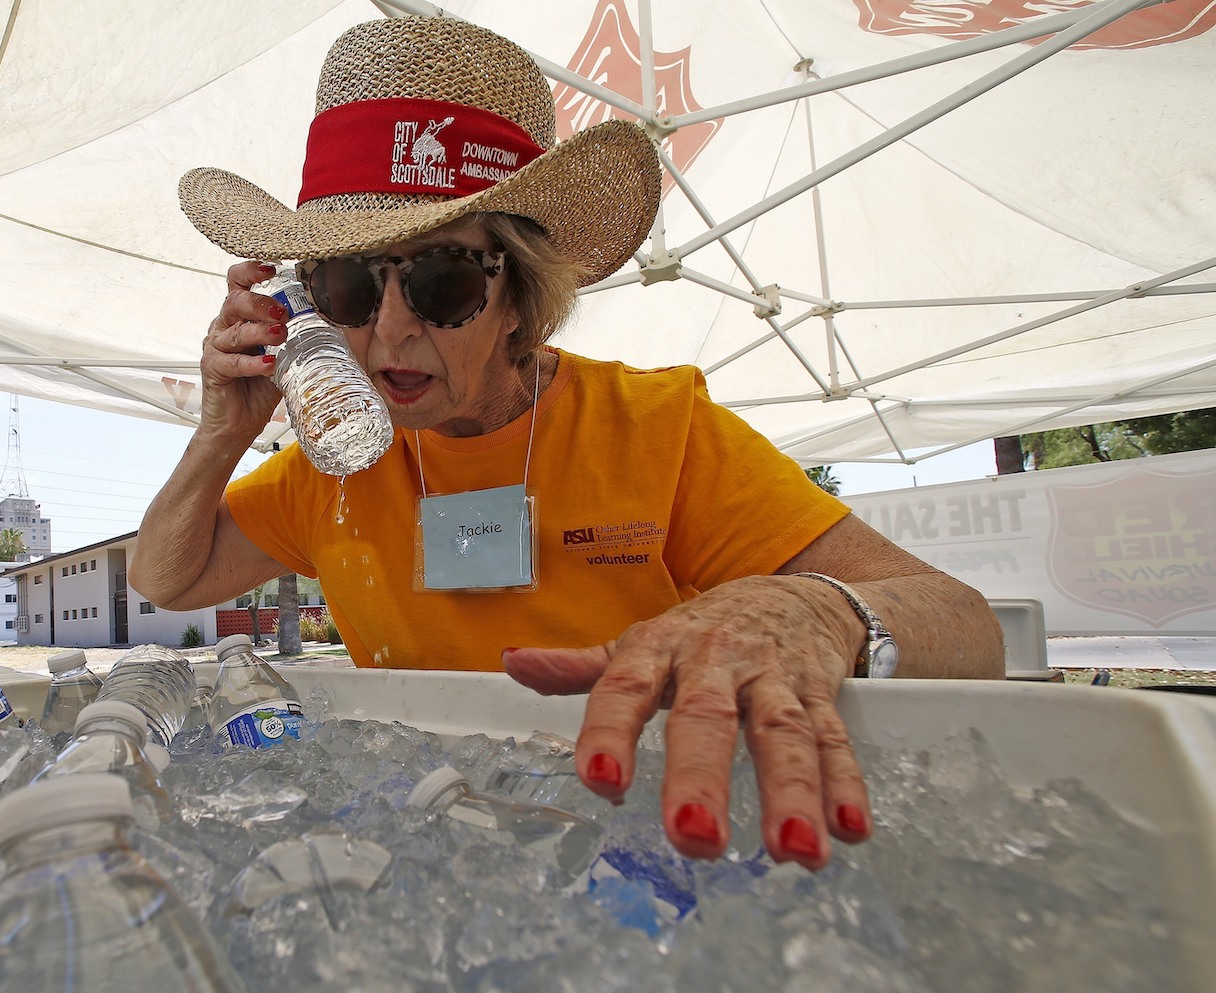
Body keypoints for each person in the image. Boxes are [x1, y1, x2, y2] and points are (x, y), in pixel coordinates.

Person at [132, 16, 1004, 872]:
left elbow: (965, 625)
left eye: (441, 280)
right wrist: (223, 429)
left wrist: (810, 610)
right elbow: (166, 577)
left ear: (523, 291)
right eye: (351, 285)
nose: (390, 333)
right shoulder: (339, 461)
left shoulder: (658, 431)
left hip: (646, 850)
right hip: (434, 851)